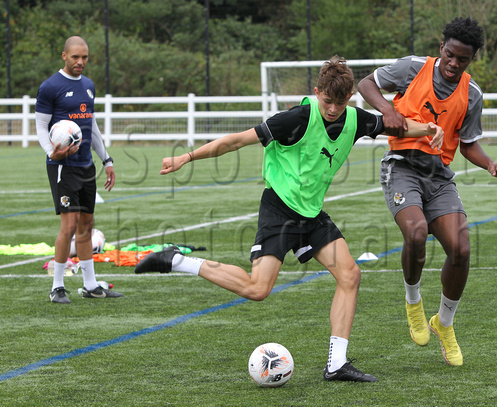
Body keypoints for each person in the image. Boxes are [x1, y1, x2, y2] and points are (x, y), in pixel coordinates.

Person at [135, 56, 443, 382]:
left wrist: (429, 128)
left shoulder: (355, 119)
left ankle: (336, 364)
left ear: (349, 98)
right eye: (327, 101)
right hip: (280, 209)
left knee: (350, 275)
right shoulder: (296, 118)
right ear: (316, 91)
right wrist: (186, 157)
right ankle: (177, 261)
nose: (334, 109)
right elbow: (236, 140)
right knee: (258, 289)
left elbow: (396, 125)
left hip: (310, 214)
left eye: (340, 102)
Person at [358, 17, 497, 367]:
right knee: (416, 232)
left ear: (471, 59)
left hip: (439, 176)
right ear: (442, 47)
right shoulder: (411, 68)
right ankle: (413, 302)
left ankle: (444, 323)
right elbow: (366, 84)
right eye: (451, 55)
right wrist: (387, 109)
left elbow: (469, 144)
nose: (455, 64)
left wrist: (490, 164)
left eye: (463, 59)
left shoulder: (472, 93)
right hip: (402, 166)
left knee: (461, 248)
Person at [35, 36, 123, 303]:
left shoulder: (88, 86)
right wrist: (52, 151)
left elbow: (91, 127)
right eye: (75, 57)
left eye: (84, 57)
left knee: (87, 224)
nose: (80, 62)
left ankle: (90, 285)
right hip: (63, 167)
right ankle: (57, 286)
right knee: (69, 225)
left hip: (87, 166)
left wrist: (106, 160)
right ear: (64, 56)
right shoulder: (50, 87)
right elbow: (40, 126)